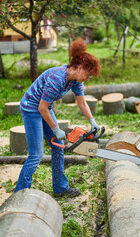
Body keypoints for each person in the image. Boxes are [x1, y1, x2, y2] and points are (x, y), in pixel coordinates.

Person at [14, 38, 101, 197]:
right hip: (31, 108)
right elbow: (41, 107)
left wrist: (92, 121)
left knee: (58, 147)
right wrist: (55, 129)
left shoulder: (75, 80)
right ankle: (19, 194)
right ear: (80, 67)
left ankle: (60, 188)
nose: (88, 78)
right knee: (36, 154)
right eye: (88, 74)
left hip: (44, 107)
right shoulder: (57, 78)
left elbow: (81, 103)